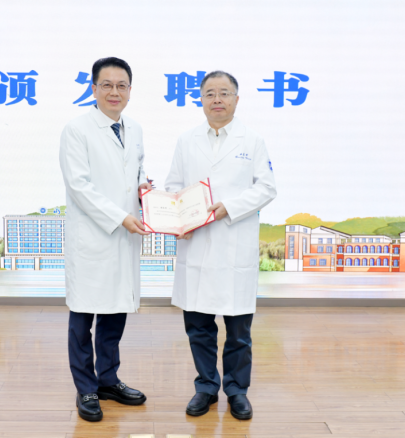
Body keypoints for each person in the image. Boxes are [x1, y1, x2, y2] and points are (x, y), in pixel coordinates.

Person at [165, 71, 277, 420]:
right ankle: (206, 387)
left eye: (224, 93)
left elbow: (267, 188)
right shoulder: (187, 140)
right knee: (199, 327)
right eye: (210, 93)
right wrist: (178, 218)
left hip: (234, 244)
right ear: (201, 99)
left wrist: (229, 207)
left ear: (236, 100)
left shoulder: (252, 140)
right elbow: (173, 185)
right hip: (197, 244)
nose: (217, 99)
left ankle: (237, 391)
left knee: (239, 332)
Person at [59, 57, 152, 422]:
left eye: (122, 85)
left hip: (124, 237)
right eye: (107, 85)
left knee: (114, 314)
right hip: (93, 238)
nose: (115, 92)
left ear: (130, 90)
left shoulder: (135, 128)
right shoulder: (77, 129)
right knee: (83, 318)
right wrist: (120, 217)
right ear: (94, 88)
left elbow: (136, 171)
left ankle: (108, 380)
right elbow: (79, 186)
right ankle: (86, 388)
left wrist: (146, 189)